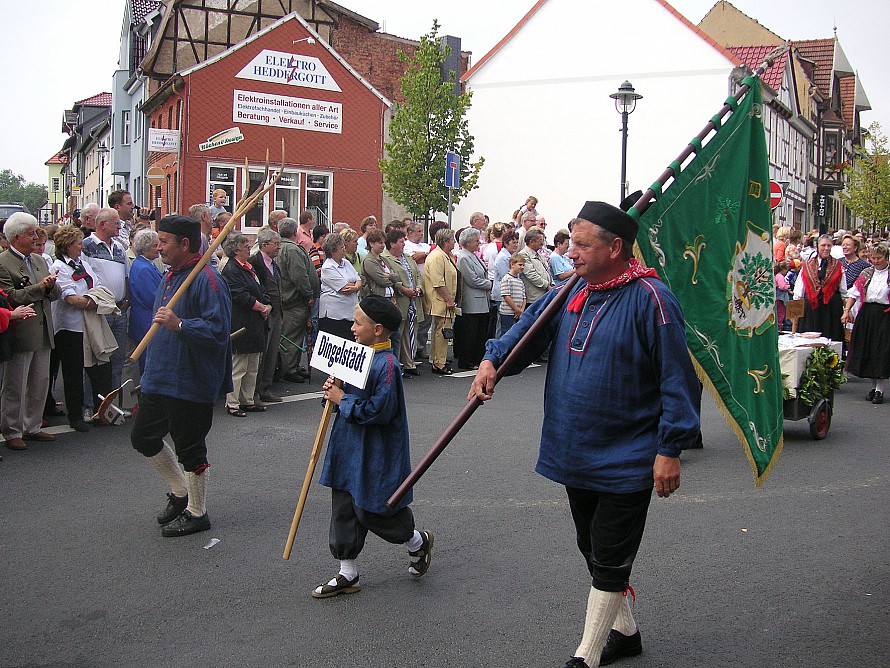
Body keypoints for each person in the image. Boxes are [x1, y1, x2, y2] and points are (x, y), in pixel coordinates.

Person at [469, 201, 700, 668]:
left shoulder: (652, 297)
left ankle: (587, 655)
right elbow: (527, 329)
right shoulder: (570, 289)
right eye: (570, 242)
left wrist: (669, 447)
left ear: (615, 248)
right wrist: (494, 357)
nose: (569, 252)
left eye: (580, 244)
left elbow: (678, 379)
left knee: (612, 552)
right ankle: (626, 633)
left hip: (629, 454)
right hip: (574, 447)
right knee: (592, 546)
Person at [314, 294, 433, 598]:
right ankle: (347, 572)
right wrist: (333, 391)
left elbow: (380, 410)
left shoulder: (388, 365)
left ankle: (417, 541)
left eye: (358, 322)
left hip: (375, 449)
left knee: (373, 509)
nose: (352, 328)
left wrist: (344, 400)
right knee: (343, 504)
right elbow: (340, 397)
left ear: (378, 329)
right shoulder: (353, 354)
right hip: (347, 444)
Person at [130, 215, 232, 537]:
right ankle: (180, 490)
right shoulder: (170, 276)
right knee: (143, 436)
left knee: (190, 448)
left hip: (190, 379)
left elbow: (219, 332)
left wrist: (182, 324)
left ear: (185, 244)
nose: (158, 247)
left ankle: (197, 512)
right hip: (159, 377)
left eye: (164, 242)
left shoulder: (208, 280)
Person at [0, 213, 62, 450]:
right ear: (16, 237)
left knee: (40, 381)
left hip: (44, 327)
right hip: (21, 330)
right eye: (31, 233)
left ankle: (33, 425)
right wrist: (40, 287)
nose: (36, 237)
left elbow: (53, 293)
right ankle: (12, 430)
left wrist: (52, 286)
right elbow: (11, 297)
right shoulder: (3, 262)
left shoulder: (39, 260)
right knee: (15, 383)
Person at [50, 225, 115, 432]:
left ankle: (101, 412)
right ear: (67, 245)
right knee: (73, 374)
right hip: (70, 328)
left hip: (91, 326)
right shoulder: (58, 268)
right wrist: (93, 302)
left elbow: (97, 287)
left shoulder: (83, 265)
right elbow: (70, 299)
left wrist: (91, 299)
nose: (81, 247)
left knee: (100, 370)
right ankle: (76, 416)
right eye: (78, 244)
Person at [221, 232, 271, 417]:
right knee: (238, 367)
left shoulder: (249, 268)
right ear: (235, 249)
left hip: (255, 323)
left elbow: (261, 290)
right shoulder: (231, 270)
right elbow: (239, 295)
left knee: (252, 366)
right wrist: (260, 307)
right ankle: (233, 403)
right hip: (241, 322)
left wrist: (268, 305)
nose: (249, 248)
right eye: (245, 246)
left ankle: (247, 400)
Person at [82, 207, 130, 397]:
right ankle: (91, 404)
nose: (120, 226)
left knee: (118, 359)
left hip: (119, 310)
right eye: (116, 223)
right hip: (100, 310)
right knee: (96, 360)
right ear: (103, 224)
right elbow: (83, 276)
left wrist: (126, 300)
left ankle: (113, 403)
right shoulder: (86, 246)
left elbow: (126, 276)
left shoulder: (119, 248)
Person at [842, 243, 890, 404]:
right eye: (873, 258)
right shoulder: (867, 273)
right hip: (867, 314)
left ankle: (879, 390)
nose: (875, 261)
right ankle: (874, 387)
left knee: (881, 350)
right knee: (869, 349)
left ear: (886, 257)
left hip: (885, 315)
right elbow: (853, 293)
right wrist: (846, 310)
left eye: (879, 258)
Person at [277, 218, 317, 384]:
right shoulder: (291, 250)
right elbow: (299, 275)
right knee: (292, 334)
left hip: (290, 299)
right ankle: (289, 368)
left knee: (294, 333)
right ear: (295, 232)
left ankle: (292, 365)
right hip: (294, 300)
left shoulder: (283, 247)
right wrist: (308, 295)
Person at [250, 227, 284, 404]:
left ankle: (265, 388)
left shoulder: (273, 263)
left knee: (272, 352)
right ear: (264, 245)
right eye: (275, 244)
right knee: (262, 354)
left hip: (277, 312)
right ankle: (254, 391)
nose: (279, 247)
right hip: (264, 313)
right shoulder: (255, 263)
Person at [792, 234, 847, 343]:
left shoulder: (838, 265)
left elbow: (843, 290)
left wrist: (846, 310)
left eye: (828, 245)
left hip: (831, 310)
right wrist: (795, 314)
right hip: (811, 310)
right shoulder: (807, 265)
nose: (826, 248)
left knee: (831, 340)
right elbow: (799, 291)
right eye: (823, 245)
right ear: (817, 247)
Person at [382, 229, 422, 375]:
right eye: (400, 241)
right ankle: (396, 364)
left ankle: (409, 363)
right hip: (400, 300)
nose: (404, 244)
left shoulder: (407, 257)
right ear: (392, 244)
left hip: (413, 300)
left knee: (411, 333)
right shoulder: (385, 258)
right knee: (398, 333)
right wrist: (403, 289)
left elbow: (417, 274)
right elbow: (391, 279)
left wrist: (418, 287)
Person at [455, 227, 493, 370]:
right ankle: (467, 360)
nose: (479, 242)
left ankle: (476, 358)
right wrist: (489, 284)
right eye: (476, 240)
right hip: (472, 299)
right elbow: (472, 280)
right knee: (470, 333)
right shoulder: (464, 257)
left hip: (481, 299)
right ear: (468, 242)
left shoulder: (473, 255)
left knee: (479, 332)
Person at [422, 228, 458, 376]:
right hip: (440, 300)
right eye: (452, 240)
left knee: (440, 331)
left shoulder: (445, 255)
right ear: (445, 242)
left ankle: (438, 359)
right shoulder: (437, 257)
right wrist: (448, 299)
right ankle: (439, 363)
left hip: (442, 300)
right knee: (442, 332)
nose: (454, 242)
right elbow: (438, 282)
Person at [129, 229, 164, 375]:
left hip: (146, 319)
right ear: (145, 247)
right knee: (148, 363)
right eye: (155, 245)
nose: (159, 248)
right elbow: (152, 297)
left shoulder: (147, 264)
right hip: (146, 322)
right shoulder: (143, 268)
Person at [319, 232, 362, 341]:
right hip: (334, 316)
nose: (344, 249)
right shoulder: (328, 267)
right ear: (332, 250)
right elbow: (344, 288)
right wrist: (355, 286)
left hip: (350, 314)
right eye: (341, 247)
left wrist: (356, 287)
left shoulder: (346, 263)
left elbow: (359, 280)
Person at [519, 227, 554, 304]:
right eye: (540, 240)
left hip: (544, 295)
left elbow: (547, 271)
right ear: (531, 242)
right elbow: (531, 274)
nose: (542, 243)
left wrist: (552, 284)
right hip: (534, 298)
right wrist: (546, 286)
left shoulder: (539, 255)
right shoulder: (523, 255)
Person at [498, 253, 527, 335]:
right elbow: (506, 296)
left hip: (518, 313)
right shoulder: (507, 278)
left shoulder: (520, 281)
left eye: (523, 265)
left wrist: (521, 310)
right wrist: (516, 309)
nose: (522, 267)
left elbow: (524, 297)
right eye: (520, 265)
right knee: (507, 333)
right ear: (512, 264)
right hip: (508, 313)